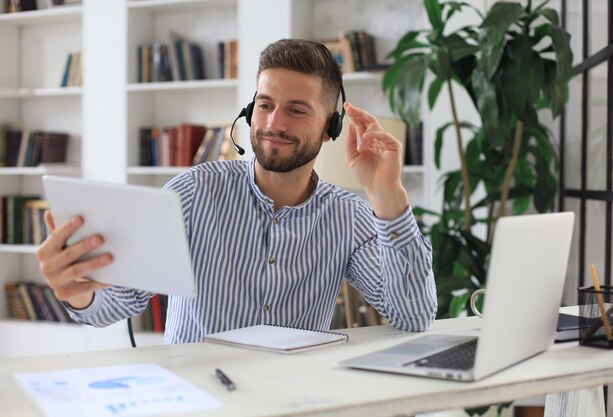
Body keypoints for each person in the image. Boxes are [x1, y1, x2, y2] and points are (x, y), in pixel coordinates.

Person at [37, 39, 437, 344]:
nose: (273, 123)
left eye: (296, 110)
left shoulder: (348, 217)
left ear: (331, 127)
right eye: (265, 105)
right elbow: (118, 302)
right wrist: (78, 295)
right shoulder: (192, 193)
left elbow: (413, 315)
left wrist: (387, 193)